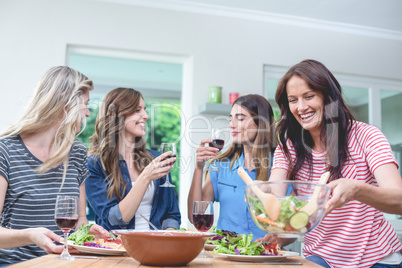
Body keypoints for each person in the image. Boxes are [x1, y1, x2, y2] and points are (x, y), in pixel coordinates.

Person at [268, 59, 402, 267]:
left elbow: (399, 201)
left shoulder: (366, 136)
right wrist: (280, 233)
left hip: (377, 259)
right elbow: (275, 194)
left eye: (309, 96)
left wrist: (357, 189)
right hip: (321, 259)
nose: (301, 107)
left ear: (328, 97)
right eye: (293, 100)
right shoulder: (289, 147)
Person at [0, 66, 109, 266]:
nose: (86, 113)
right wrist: (31, 235)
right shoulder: (6, 150)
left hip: (64, 263)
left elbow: (80, 220)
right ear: (64, 101)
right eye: (84, 104)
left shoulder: (76, 151)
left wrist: (86, 232)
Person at [85, 87, 181, 231]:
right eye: (137, 110)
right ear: (117, 115)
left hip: (156, 248)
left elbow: (172, 214)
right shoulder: (95, 164)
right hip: (117, 248)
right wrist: (145, 178)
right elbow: (114, 219)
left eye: (145, 109)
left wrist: (168, 236)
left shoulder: (155, 159)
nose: (146, 115)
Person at [187, 94, 275, 239]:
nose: (231, 124)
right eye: (231, 118)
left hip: (267, 254)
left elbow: (289, 224)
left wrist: (276, 240)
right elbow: (193, 215)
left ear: (261, 122)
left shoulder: (279, 168)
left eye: (240, 118)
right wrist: (198, 167)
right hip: (227, 252)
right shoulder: (220, 165)